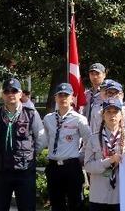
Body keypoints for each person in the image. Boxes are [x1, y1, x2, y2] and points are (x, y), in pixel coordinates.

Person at [0, 78, 45, 211]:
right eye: (7, 91)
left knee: (27, 207)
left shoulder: (31, 114)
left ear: (20, 94)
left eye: (14, 91)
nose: (11, 93)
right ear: (2, 94)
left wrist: (26, 156)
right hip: (0, 172)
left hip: (24, 172)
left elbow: (41, 141)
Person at [43, 83, 92, 211]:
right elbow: (45, 139)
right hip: (53, 167)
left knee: (75, 203)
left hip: (71, 167)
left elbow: (89, 141)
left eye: (66, 95)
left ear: (72, 98)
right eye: (60, 95)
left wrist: (81, 157)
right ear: (55, 98)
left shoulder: (79, 119)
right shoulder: (48, 119)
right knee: (56, 203)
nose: (63, 98)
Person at [84, 98, 125, 211]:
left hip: (122, 195)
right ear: (103, 115)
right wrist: (108, 161)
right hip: (99, 196)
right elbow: (88, 166)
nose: (112, 115)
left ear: (121, 115)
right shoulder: (93, 139)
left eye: (115, 112)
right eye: (108, 111)